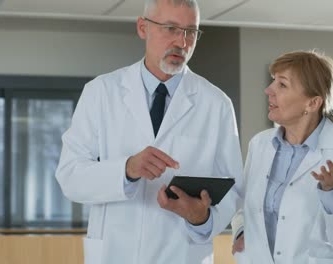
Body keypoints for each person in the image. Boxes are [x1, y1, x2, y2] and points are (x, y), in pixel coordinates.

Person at [55, 0, 243, 263]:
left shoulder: (216, 103)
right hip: (114, 253)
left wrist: (201, 218)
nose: (182, 41)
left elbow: (233, 189)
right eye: (170, 28)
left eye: (191, 31)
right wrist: (127, 169)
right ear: (143, 28)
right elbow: (70, 176)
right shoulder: (101, 92)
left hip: (180, 254)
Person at [231, 50, 333, 264]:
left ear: (312, 103)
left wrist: (332, 191)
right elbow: (242, 204)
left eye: (282, 85)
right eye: (273, 81)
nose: (268, 90)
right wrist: (241, 230)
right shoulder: (260, 145)